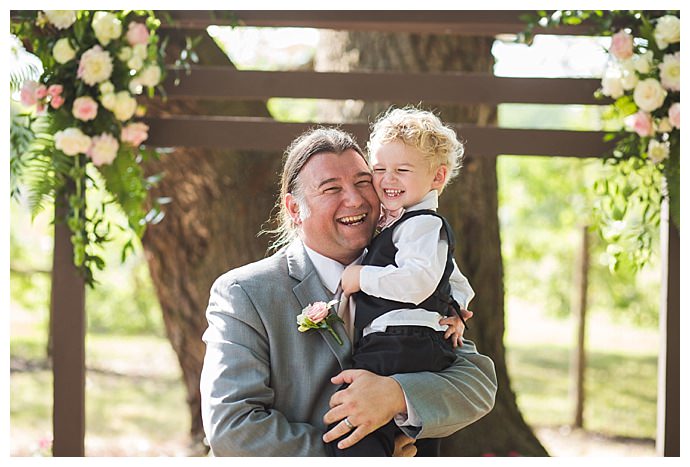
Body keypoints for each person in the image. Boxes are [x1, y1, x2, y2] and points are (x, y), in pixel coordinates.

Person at [200, 126, 497, 456]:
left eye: (362, 182)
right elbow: (233, 427)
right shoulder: (244, 294)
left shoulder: (411, 272)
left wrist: (398, 396)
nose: (355, 199)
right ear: (295, 209)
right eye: (331, 189)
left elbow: (478, 385)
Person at [333, 106, 474, 457]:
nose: (387, 179)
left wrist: (361, 277)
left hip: (400, 343)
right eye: (379, 169)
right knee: (413, 430)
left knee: (357, 422)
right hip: (407, 341)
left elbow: (418, 282)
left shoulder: (423, 224)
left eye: (402, 170)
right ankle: (401, 446)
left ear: (437, 178)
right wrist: (457, 307)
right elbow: (452, 278)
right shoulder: (407, 222)